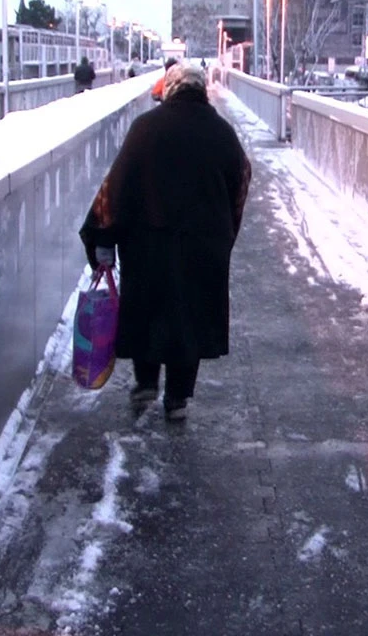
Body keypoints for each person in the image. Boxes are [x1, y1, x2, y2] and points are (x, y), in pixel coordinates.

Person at [80, 63, 251, 420]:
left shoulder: (146, 128)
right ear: (201, 89)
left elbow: (117, 187)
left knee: (148, 312)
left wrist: (102, 234)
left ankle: (145, 384)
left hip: (148, 245)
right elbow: (241, 180)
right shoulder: (221, 132)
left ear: (170, 89)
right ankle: (178, 398)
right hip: (203, 247)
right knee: (191, 320)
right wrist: (224, 234)